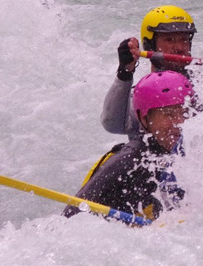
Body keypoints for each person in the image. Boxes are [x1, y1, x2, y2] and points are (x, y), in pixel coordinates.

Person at [66, 70, 194, 222]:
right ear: (144, 120)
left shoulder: (190, 149)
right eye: (169, 114)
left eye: (185, 112)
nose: (180, 122)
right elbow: (71, 217)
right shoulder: (128, 163)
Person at [101, 5, 197, 139]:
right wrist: (125, 73)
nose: (180, 48)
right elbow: (113, 124)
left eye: (184, 40)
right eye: (170, 40)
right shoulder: (144, 93)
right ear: (150, 45)